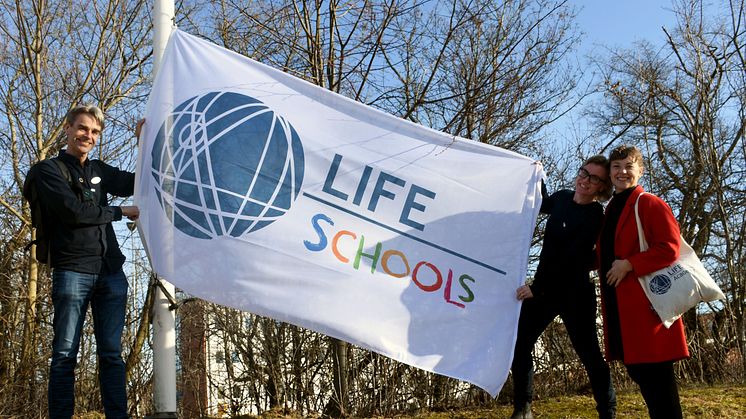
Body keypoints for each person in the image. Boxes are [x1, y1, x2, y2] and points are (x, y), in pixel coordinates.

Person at [36, 105, 140, 419]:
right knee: (65, 355)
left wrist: (144, 143)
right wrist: (120, 212)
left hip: (111, 273)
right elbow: (74, 213)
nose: (88, 136)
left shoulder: (99, 170)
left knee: (112, 355)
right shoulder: (49, 171)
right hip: (72, 272)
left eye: (95, 132)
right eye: (82, 128)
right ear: (67, 128)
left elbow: (137, 182)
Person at [510, 155, 616, 419]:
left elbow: (573, 257)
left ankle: (608, 412)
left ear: (602, 187)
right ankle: (523, 409)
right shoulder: (562, 198)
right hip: (544, 291)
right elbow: (541, 202)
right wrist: (537, 175)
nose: (585, 180)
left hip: (574, 293)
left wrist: (538, 287)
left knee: (588, 353)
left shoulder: (595, 215)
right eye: (584, 172)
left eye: (595, 179)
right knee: (519, 343)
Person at [599, 145, 688, 418]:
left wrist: (630, 264)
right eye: (616, 167)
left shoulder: (648, 203)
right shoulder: (611, 208)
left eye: (629, 166)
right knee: (642, 375)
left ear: (640, 171)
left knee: (658, 381)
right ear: (610, 173)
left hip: (648, 308)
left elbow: (670, 247)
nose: (622, 172)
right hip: (621, 309)